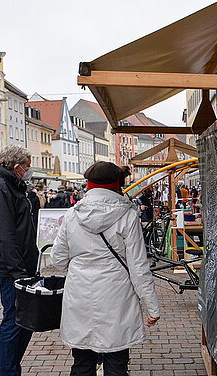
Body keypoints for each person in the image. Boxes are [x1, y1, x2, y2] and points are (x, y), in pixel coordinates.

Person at [51, 161, 160, 376]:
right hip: (116, 294)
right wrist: (152, 306)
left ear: (89, 184)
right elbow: (138, 267)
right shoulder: (128, 216)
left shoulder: (73, 214)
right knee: (116, 361)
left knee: (82, 362)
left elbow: (57, 260)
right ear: (117, 184)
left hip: (80, 294)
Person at [0, 145, 38, 376]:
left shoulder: (11, 186)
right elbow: (4, 234)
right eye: (27, 167)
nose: (28, 171)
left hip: (20, 266)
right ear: (16, 168)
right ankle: (7, 372)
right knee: (14, 322)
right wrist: (18, 272)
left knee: (24, 322)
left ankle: (11, 368)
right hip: (11, 269)